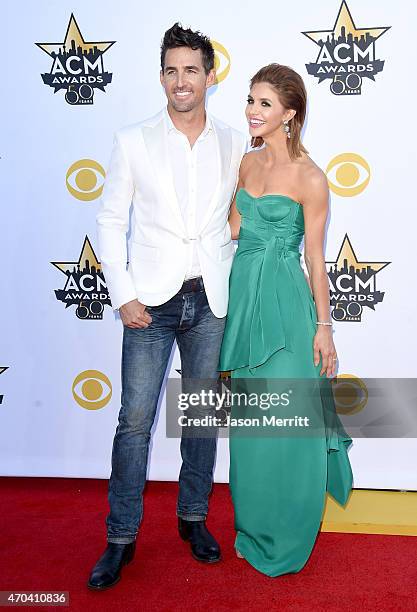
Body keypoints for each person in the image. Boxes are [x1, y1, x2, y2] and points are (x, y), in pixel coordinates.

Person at [88, 23, 246, 590]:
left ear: (210, 75)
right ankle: (121, 537)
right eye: (172, 70)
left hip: (211, 297)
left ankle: (193, 518)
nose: (182, 81)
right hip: (149, 303)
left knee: (201, 415)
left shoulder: (233, 141)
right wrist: (122, 293)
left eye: (192, 70)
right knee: (134, 422)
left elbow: (237, 212)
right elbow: (111, 219)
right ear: (162, 77)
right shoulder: (133, 138)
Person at [218, 64, 353, 577]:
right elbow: (230, 229)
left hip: (287, 303)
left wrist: (325, 326)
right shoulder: (244, 165)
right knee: (254, 425)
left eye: (265, 104)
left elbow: (316, 259)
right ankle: (253, 526)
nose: (253, 111)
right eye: (250, 101)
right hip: (244, 301)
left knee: (291, 424)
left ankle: (292, 531)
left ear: (289, 114)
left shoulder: (311, 177)